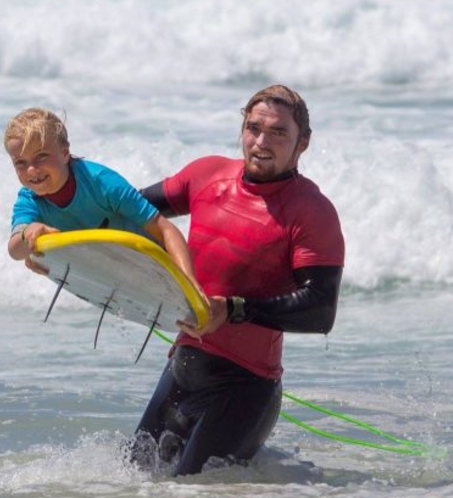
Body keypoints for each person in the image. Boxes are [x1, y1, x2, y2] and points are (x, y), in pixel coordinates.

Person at [131, 85, 345, 476]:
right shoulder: (206, 175)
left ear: (303, 143)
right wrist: (50, 241)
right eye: (253, 128)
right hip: (181, 371)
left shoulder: (311, 212)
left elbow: (320, 309)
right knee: (131, 480)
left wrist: (233, 309)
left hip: (245, 389)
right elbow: (125, 210)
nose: (261, 142)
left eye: (278, 132)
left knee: (192, 491)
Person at [4, 107, 199, 293]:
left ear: (64, 153)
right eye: (20, 162)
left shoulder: (101, 182)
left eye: (41, 156)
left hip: (159, 262)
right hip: (112, 274)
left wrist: (189, 282)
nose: (31, 170)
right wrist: (27, 236)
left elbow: (165, 229)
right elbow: (14, 250)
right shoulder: (29, 200)